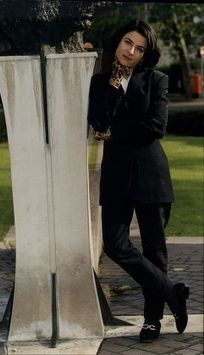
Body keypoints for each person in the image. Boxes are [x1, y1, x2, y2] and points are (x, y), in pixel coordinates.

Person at [87, 19, 189, 343]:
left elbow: (156, 127)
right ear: (118, 41)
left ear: (145, 54)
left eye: (139, 48)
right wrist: (115, 87)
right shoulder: (100, 83)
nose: (131, 51)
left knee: (154, 250)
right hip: (116, 176)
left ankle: (152, 320)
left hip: (151, 175)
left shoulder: (157, 80)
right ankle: (172, 291)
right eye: (128, 42)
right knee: (116, 244)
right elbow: (98, 121)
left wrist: (114, 134)